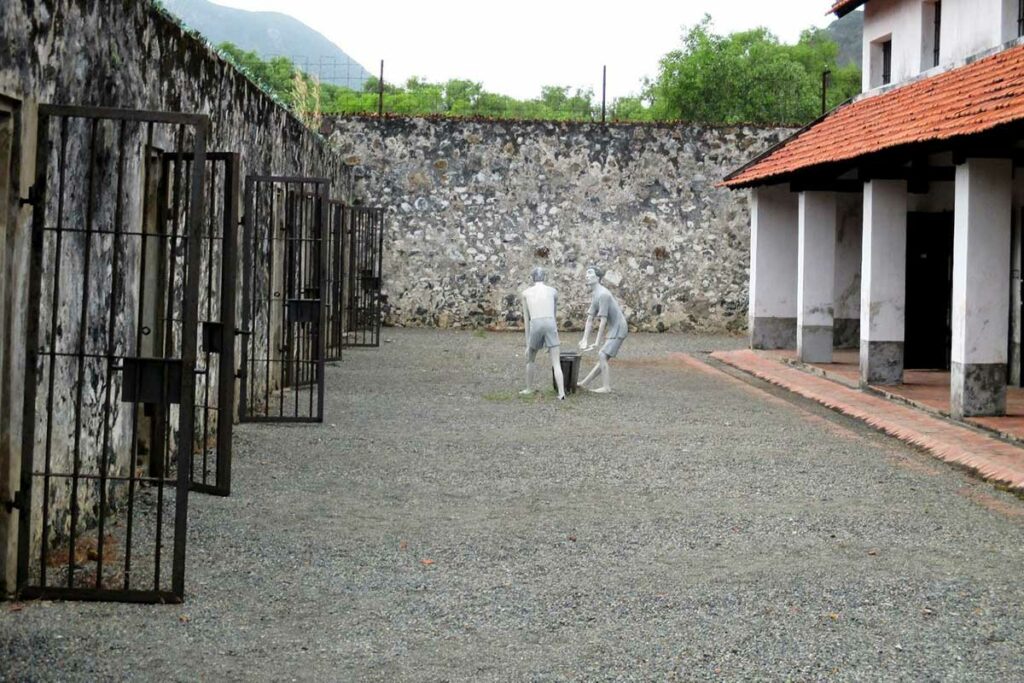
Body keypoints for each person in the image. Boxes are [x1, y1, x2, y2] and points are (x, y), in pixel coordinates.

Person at [578, 266, 628, 393]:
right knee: (603, 357)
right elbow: (590, 319)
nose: (587, 276)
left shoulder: (603, 294)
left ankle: (606, 387)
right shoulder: (596, 294)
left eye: (590, 273)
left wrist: (596, 342)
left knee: (602, 355)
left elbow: (603, 320)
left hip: (618, 327)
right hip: (614, 327)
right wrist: (584, 339)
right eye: (587, 273)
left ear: (598, 277)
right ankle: (584, 383)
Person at [521, 267, 566, 400]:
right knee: (556, 361)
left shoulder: (526, 293)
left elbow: (526, 320)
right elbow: (553, 313)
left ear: (532, 277)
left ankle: (529, 388)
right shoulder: (553, 291)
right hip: (550, 322)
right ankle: (562, 392)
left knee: (530, 359)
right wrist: (553, 336)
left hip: (536, 322)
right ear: (544, 277)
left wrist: (527, 344)